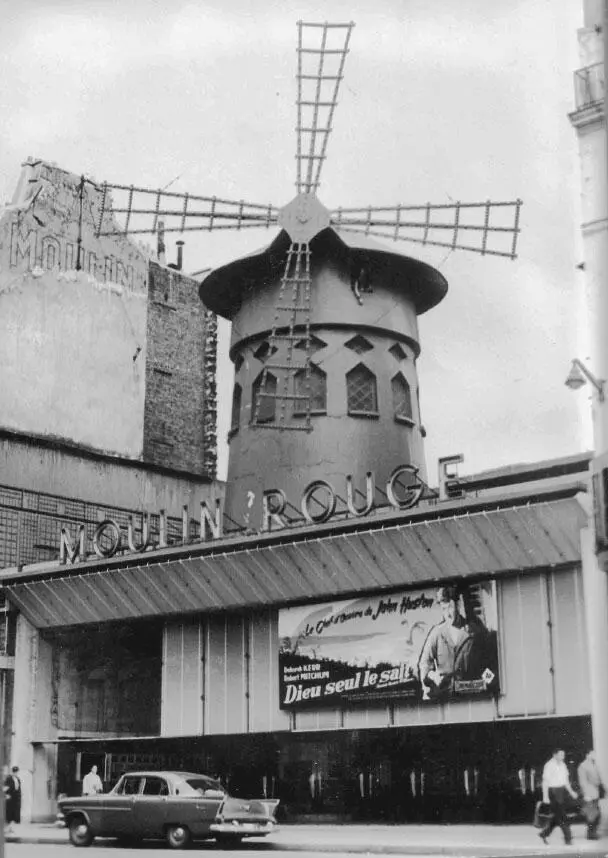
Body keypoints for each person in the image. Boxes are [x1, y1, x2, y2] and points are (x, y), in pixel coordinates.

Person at [418, 586, 489, 699]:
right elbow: (424, 664)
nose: (447, 614)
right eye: (443, 609)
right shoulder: (437, 633)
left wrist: (484, 686)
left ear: (458, 604)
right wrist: (433, 676)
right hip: (443, 697)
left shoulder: (475, 633)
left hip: (469, 698)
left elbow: (490, 665)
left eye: (450, 608)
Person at [538, 749, 578, 845]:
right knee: (563, 817)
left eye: (563, 755)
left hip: (561, 792)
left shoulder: (563, 765)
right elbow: (545, 782)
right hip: (553, 792)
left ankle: (544, 833)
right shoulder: (549, 765)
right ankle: (568, 839)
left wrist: (572, 792)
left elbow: (565, 781)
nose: (562, 757)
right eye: (560, 755)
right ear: (554, 755)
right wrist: (545, 796)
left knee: (557, 817)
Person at [577, 749, 605, 840]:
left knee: (596, 814)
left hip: (595, 793)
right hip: (589, 793)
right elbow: (583, 781)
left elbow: (599, 778)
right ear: (587, 755)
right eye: (593, 754)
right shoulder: (583, 766)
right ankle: (591, 834)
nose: (594, 756)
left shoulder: (594, 764)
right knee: (592, 815)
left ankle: (592, 832)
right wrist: (586, 794)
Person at [4, 765, 21, 836]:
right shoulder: (9, 778)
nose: (15, 773)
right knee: (9, 813)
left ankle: (10, 828)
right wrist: (5, 795)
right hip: (10, 798)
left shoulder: (17, 779)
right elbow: (5, 788)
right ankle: (7, 829)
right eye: (14, 771)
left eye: (16, 771)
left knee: (15, 814)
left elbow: (18, 788)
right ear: (12, 772)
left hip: (16, 799)